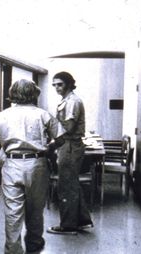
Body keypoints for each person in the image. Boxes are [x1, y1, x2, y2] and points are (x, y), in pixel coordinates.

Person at [0, 79, 65, 254]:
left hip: (12, 164)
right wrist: (48, 146)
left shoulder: (3, 115)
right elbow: (60, 138)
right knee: (36, 208)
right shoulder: (43, 114)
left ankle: (13, 250)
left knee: (13, 212)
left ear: (12, 94)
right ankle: (34, 243)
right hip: (37, 164)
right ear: (34, 94)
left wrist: (8, 141)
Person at [47, 71, 93, 235]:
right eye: (54, 85)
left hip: (70, 146)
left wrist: (51, 129)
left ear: (68, 83)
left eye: (60, 84)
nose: (56, 88)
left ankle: (68, 225)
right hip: (68, 145)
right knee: (72, 184)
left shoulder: (72, 101)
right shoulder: (67, 100)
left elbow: (69, 127)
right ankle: (81, 221)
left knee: (66, 186)